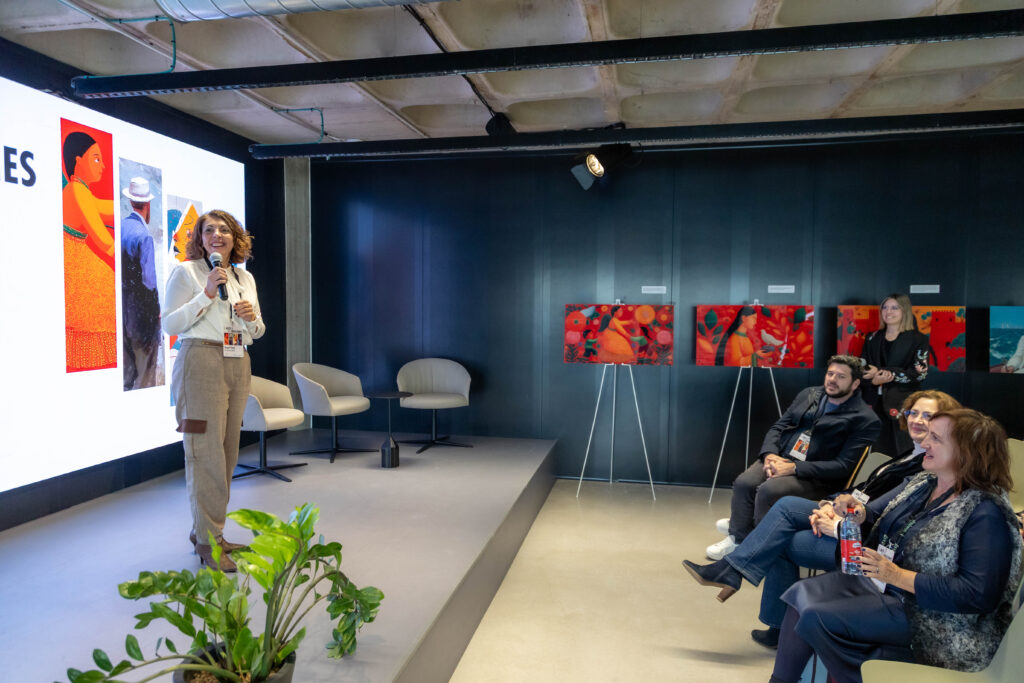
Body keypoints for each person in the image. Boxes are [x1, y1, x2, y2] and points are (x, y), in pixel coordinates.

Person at [683, 390, 962, 649]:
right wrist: (830, 504)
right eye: (913, 413)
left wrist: (839, 524)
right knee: (781, 517)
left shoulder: (928, 467)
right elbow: (864, 491)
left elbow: (888, 517)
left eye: (928, 415)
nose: (917, 420)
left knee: (779, 533)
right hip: (851, 519)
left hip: (862, 545)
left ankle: (754, 597)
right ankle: (742, 583)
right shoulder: (911, 453)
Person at [769, 409, 1022, 683]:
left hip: (936, 618)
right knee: (798, 595)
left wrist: (897, 575)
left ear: (967, 453)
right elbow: (874, 514)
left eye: (936, 438)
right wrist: (856, 511)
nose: (925, 443)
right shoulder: (924, 482)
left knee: (818, 617)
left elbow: (977, 595)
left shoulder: (986, 512)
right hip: (887, 588)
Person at [162, 210, 264, 572]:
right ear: (200, 238)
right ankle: (208, 541)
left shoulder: (244, 277)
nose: (217, 235)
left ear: (235, 238)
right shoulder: (187, 272)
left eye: (224, 230)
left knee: (227, 454)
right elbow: (170, 323)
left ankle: (209, 531)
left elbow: (259, 331)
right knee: (204, 455)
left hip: (238, 361)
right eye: (209, 230)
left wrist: (252, 319)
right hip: (200, 362)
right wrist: (206, 294)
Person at [705, 355, 881, 561]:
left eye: (841, 376)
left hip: (816, 477)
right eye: (830, 374)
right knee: (745, 482)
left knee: (769, 490)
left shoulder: (865, 419)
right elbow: (779, 427)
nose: (832, 380)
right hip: (781, 458)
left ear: (855, 383)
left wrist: (794, 468)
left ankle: (756, 548)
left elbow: (842, 466)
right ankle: (739, 536)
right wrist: (770, 455)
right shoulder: (810, 394)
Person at [62, 131, 116, 371]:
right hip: (73, 259)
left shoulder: (81, 190)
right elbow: (104, 240)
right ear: (78, 160)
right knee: (106, 286)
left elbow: (106, 209)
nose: (102, 166)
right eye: (96, 158)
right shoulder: (76, 190)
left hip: (76, 253)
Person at [860, 294, 929, 456]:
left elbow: (919, 374)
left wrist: (884, 372)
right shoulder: (872, 337)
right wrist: (874, 381)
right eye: (885, 307)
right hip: (874, 405)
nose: (888, 311)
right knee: (877, 455)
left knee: (904, 452)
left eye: (894, 308)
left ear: (904, 311)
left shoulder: (917, 339)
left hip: (903, 405)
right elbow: (862, 370)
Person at [121, 177, 163, 390]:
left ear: (130, 202)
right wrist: (157, 312)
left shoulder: (120, 228)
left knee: (127, 379)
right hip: (143, 320)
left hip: (123, 316)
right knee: (146, 378)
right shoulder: (144, 236)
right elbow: (149, 282)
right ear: (148, 204)